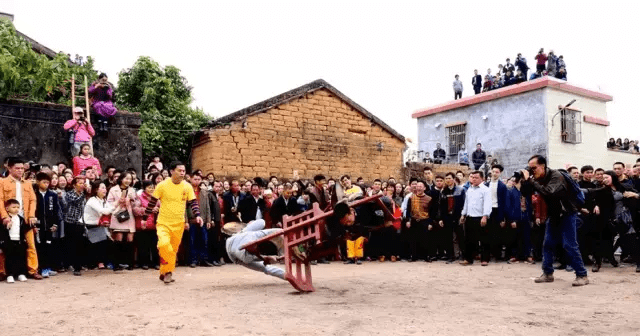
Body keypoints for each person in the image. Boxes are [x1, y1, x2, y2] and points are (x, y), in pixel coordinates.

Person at [521, 155, 589, 286]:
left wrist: (531, 180)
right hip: (554, 215)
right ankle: (547, 273)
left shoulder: (556, 176)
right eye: (530, 168)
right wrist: (525, 181)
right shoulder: (537, 178)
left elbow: (549, 192)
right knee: (547, 244)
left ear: (543, 166)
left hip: (567, 212)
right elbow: (525, 193)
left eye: (534, 168)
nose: (532, 171)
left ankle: (582, 275)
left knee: (569, 245)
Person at [143, 161, 203, 284]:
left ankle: (164, 271)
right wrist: (144, 218)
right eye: (179, 170)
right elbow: (152, 202)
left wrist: (198, 215)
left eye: (184, 171)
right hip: (163, 223)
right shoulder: (162, 185)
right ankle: (168, 273)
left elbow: (193, 202)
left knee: (173, 250)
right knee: (164, 246)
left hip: (179, 223)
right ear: (171, 171)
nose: (182, 173)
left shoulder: (187, 186)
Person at [0, 158, 41, 280]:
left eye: (22, 168)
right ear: (9, 168)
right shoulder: (2, 182)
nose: (20, 170)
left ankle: (32, 270)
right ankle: (2, 271)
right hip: (8, 218)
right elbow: (0, 200)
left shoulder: (27, 183)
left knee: (30, 245)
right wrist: (5, 217)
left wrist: (32, 215)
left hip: (24, 218)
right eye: (17, 168)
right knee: (4, 246)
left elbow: (33, 200)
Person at [459, 171, 492, 265]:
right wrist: (463, 214)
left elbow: (487, 204)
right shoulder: (470, 189)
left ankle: (484, 259)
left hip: (481, 217)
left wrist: (485, 216)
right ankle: (468, 259)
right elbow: (466, 203)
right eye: (472, 177)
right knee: (469, 240)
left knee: (484, 240)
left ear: (482, 179)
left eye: (476, 177)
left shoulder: (486, 190)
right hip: (470, 217)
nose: (473, 179)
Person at [107, 171, 137, 271]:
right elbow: (109, 203)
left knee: (130, 239)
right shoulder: (113, 189)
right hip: (117, 215)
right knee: (118, 238)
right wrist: (118, 201)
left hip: (129, 216)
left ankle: (130, 263)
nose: (128, 181)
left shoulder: (132, 190)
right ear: (121, 179)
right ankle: (117, 263)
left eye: (130, 179)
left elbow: (136, 204)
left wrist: (132, 200)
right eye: (126, 178)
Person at [34, 172, 63, 277]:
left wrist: (55, 224)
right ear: (38, 182)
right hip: (38, 225)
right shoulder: (34, 194)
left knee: (49, 246)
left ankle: (48, 267)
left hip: (50, 226)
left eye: (47, 182)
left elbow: (56, 210)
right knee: (40, 247)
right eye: (44, 182)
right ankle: (41, 268)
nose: (46, 184)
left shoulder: (52, 194)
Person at [83, 181, 114, 270]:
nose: (105, 190)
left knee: (105, 242)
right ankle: (96, 262)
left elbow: (111, 210)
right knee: (97, 244)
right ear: (96, 190)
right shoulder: (92, 200)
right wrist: (117, 204)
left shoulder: (104, 200)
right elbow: (104, 211)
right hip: (90, 226)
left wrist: (118, 205)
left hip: (99, 225)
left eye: (105, 188)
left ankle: (102, 262)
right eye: (102, 188)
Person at [405, 180, 438, 262]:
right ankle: (413, 256)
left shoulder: (429, 199)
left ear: (424, 188)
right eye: (417, 186)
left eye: (420, 186)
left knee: (426, 239)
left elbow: (432, 213)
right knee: (413, 239)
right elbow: (408, 211)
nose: (418, 188)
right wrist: (407, 220)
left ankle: (426, 256)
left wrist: (430, 223)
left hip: (425, 220)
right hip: (414, 220)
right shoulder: (411, 198)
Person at [187, 174, 215, 267]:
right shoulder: (187, 190)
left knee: (204, 240)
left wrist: (208, 220)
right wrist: (186, 221)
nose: (197, 181)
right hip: (191, 219)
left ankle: (204, 260)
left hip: (203, 219)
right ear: (191, 179)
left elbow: (207, 207)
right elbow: (184, 208)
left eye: (199, 179)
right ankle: (193, 260)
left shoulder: (204, 191)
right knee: (192, 241)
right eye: (195, 179)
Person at [0, 199, 30, 283]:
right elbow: (2, 231)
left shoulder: (20, 219)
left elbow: (24, 229)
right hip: (9, 241)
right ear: (7, 208)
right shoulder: (4, 219)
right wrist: (6, 226)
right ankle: (10, 275)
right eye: (13, 207)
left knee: (21, 257)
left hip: (19, 240)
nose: (16, 209)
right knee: (10, 258)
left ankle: (21, 273)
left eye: (18, 207)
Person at [439, 173, 466, 263]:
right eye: (446, 178)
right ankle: (451, 255)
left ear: (454, 179)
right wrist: (441, 218)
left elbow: (464, 203)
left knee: (460, 236)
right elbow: (441, 206)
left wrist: (463, 215)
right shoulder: (443, 191)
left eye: (449, 178)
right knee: (448, 237)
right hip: (447, 217)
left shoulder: (460, 190)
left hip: (458, 216)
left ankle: (464, 255)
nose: (448, 180)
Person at [133, 180, 160, 270]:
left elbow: (162, 208)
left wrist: (158, 209)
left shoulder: (157, 198)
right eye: (149, 187)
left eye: (152, 187)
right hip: (143, 225)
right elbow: (136, 210)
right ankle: (144, 263)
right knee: (143, 245)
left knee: (154, 245)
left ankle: (155, 263)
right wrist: (149, 209)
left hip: (154, 225)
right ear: (144, 188)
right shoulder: (139, 198)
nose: (151, 189)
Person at [64, 176, 87, 276]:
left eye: (83, 183)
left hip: (81, 222)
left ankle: (78, 265)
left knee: (80, 244)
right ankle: (72, 265)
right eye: (80, 183)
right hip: (70, 222)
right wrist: (85, 193)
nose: (82, 185)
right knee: (71, 244)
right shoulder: (69, 194)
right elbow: (76, 201)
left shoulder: (83, 195)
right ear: (74, 184)